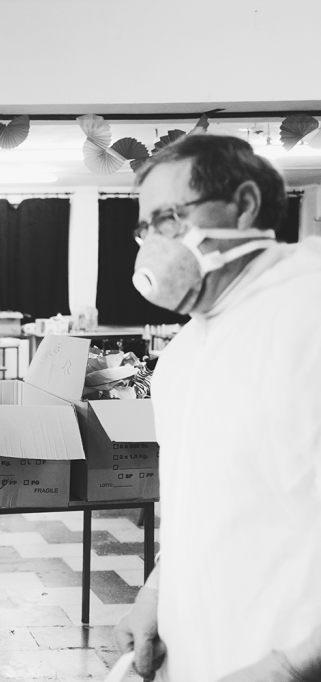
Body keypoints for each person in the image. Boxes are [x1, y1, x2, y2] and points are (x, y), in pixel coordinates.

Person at [113, 134, 321, 681]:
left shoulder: (308, 317)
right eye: (145, 227)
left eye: (168, 219)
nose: (152, 244)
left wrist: (292, 666)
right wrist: (156, 595)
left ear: (244, 205)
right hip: (198, 656)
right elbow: (202, 505)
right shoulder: (183, 355)